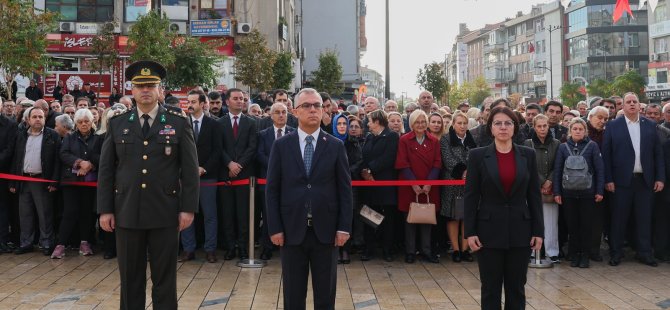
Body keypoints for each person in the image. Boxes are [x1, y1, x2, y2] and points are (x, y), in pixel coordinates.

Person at [97, 60, 199, 309]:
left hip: (165, 211)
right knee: (130, 278)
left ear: (159, 89)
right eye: (140, 85)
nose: (145, 90)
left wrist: (188, 208)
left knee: (165, 279)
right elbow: (107, 170)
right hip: (127, 211)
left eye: (151, 85)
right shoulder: (118, 122)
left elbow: (189, 169)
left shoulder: (177, 121)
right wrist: (105, 209)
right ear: (132, 90)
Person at [265, 87, 353, 310]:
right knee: (293, 297)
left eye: (317, 105)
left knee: (325, 297)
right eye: (307, 105)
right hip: (292, 231)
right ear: (295, 111)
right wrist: (274, 228)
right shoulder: (281, 145)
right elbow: (272, 190)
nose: (313, 110)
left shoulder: (335, 146)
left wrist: (343, 227)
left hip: (327, 232)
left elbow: (345, 191)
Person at [464, 106, 544, 309]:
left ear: (515, 128)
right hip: (488, 232)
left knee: (516, 287)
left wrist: (538, 231)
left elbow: (534, 196)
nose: (503, 127)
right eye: (497, 123)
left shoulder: (528, 155)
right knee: (490, 288)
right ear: (490, 128)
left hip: (520, 231)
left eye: (508, 123)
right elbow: (471, 197)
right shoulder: (477, 156)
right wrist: (470, 232)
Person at [602, 92, 665, 267]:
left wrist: (660, 178)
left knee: (644, 218)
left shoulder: (650, 125)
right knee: (619, 219)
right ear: (622, 106)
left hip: (645, 181)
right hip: (621, 181)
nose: (631, 104)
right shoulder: (613, 126)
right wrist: (608, 179)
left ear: (639, 106)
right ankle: (616, 253)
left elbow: (657, 154)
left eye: (634, 102)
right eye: (628, 102)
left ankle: (644, 253)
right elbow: (606, 156)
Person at [553, 118, 605, 268]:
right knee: (572, 225)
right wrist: (557, 192)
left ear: (585, 131)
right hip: (568, 193)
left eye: (580, 129)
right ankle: (574, 253)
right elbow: (557, 171)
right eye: (575, 129)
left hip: (588, 193)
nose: (577, 131)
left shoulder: (592, 146)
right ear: (570, 131)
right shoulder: (563, 147)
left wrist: (599, 190)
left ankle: (585, 255)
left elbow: (600, 169)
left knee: (586, 225)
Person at [179, 90, 223, 263]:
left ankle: (210, 249)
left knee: (210, 215)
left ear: (203, 104)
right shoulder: (182, 124)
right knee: (186, 212)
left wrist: (204, 168)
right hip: (186, 177)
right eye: (188, 101)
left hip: (208, 177)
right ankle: (188, 249)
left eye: (194, 101)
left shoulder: (214, 125)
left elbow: (217, 151)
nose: (190, 105)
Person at [9, 107, 61, 255]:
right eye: (34, 117)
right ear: (28, 120)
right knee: (25, 215)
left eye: (40, 116)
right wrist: (13, 182)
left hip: (42, 181)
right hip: (23, 180)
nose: (38, 119)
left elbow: (57, 161)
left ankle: (46, 243)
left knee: (45, 214)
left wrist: (54, 181)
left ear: (45, 119)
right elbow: (16, 159)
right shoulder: (21, 135)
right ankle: (26, 243)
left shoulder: (52, 135)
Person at [51, 108, 101, 259]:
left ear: (92, 122)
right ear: (76, 124)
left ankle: (84, 243)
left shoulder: (99, 139)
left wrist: (90, 165)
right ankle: (61, 245)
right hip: (71, 182)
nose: (83, 124)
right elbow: (63, 154)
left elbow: (102, 155)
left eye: (86, 121)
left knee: (86, 213)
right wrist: (79, 163)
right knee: (70, 212)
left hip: (89, 182)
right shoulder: (69, 137)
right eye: (80, 122)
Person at [395, 109, 442, 264]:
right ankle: (410, 252)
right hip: (409, 185)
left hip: (429, 185)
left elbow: (437, 163)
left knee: (427, 219)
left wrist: (429, 182)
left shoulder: (433, 141)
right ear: (412, 124)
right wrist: (413, 183)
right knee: (410, 219)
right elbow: (402, 162)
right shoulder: (404, 139)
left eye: (423, 122)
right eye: (417, 122)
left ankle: (426, 251)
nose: (420, 125)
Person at [218, 88, 258, 260]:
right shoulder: (219, 123)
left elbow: (252, 147)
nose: (240, 101)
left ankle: (243, 247)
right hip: (225, 175)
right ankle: (230, 247)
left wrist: (239, 165)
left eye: (242, 98)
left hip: (244, 175)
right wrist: (229, 164)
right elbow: (218, 147)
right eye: (236, 98)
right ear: (227, 102)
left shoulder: (251, 123)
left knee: (243, 214)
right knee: (227, 214)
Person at [257, 102, 295, 261]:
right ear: (271, 116)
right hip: (268, 181)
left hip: (290, 183)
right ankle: (267, 247)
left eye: (284, 112)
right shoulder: (263, 134)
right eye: (277, 112)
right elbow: (259, 154)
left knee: (289, 214)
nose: (281, 115)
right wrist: (275, 166)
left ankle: (289, 245)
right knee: (268, 215)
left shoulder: (294, 133)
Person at [360, 109, 399, 262]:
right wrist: (364, 171)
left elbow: (389, 157)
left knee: (388, 219)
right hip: (369, 185)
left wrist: (371, 169)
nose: (368, 124)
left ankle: (387, 250)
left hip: (385, 184)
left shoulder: (391, 136)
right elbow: (363, 155)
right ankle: (369, 249)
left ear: (377, 121)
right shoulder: (369, 137)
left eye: (369, 121)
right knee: (369, 216)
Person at [522, 114, 561, 263]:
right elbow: (527, 165)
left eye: (545, 126)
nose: (542, 129)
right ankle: (533, 251)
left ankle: (552, 252)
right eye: (539, 126)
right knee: (532, 220)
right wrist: (542, 181)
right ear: (534, 127)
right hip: (532, 187)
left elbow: (558, 164)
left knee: (551, 222)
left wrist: (550, 181)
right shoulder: (527, 143)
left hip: (551, 188)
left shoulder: (557, 143)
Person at [440, 111, 477, 262]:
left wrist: (470, 172)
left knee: (467, 216)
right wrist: (462, 172)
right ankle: (455, 249)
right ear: (453, 124)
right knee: (453, 216)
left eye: (464, 123)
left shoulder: (471, 139)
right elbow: (447, 159)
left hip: (469, 183)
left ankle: (465, 249)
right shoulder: (445, 139)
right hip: (452, 182)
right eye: (459, 123)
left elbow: (476, 157)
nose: (462, 126)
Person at [332, 113, 362, 264]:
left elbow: (359, 161)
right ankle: (336, 250)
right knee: (334, 216)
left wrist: (345, 172)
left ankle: (346, 250)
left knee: (348, 216)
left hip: (350, 184)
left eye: (345, 124)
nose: (342, 127)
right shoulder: (329, 140)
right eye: (339, 124)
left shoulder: (353, 142)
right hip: (332, 185)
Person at [0, 111, 17, 253]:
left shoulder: (10, 125)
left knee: (2, 209)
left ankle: (2, 241)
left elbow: (10, 149)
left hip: (3, 173)